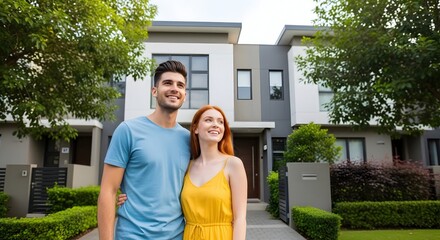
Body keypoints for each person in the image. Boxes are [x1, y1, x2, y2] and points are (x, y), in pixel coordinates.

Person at [118, 105, 248, 240]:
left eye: (220, 122)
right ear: (195, 128)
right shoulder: (187, 166)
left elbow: (240, 219)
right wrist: (130, 197)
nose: (216, 125)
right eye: (209, 120)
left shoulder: (233, 164)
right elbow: (165, 190)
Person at [98, 60, 190, 240]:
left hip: (177, 236)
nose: (174, 88)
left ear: (184, 95)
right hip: (133, 235)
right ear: (154, 91)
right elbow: (108, 192)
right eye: (167, 83)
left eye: (180, 85)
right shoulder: (128, 131)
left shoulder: (189, 140)